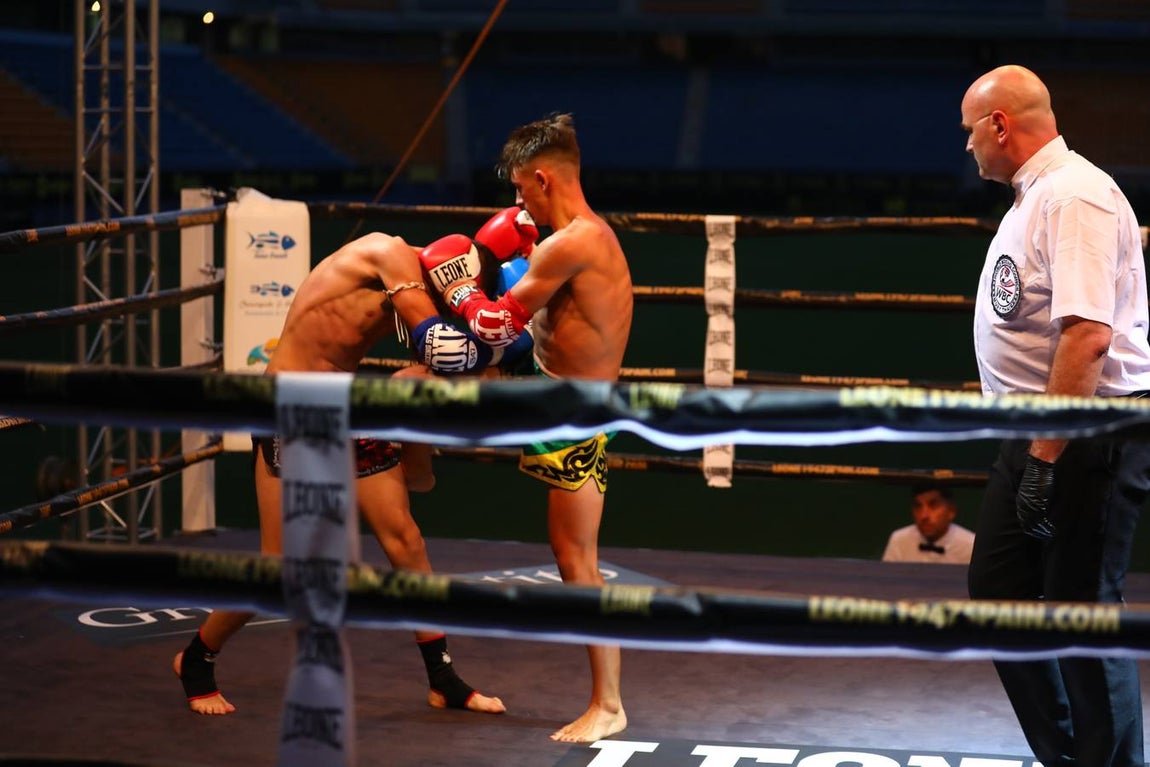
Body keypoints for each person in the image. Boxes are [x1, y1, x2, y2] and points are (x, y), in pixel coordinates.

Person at [172, 229, 520, 717]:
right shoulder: (390, 254)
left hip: (347, 408)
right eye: (461, 295)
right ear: (452, 277)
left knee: (405, 539)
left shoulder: (418, 290)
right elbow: (444, 349)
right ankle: (196, 659)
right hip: (291, 409)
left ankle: (443, 678)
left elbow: (437, 365)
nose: (459, 305)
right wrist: (508, 347)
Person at [418, 112, 634, 743]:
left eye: (521, 190)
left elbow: (493, 325)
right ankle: (414, 457)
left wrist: (459, 286)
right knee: (418, 379)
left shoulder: (572, 243)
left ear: (544, 179)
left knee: (576, 560)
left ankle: (610, 704)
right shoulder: (566, 237)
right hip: (543, 382)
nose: (517, 202)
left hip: (573, 413)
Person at [961, 64, 1150, 767]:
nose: (967, 146)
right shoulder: (1036, 196)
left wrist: (1044, 454)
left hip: (1085, 436)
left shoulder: (1075, 196)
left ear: (1000, 125)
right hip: (1039, 437)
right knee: (998, 592)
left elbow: (1088, 335)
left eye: (970, 130)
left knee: (1079, 613)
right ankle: (1074, 755)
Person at [881, 483, 974, 564]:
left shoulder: (971, 545)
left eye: (933, 505)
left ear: (951, 511)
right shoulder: (899, 540)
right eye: (918, 506)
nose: (923, 515)